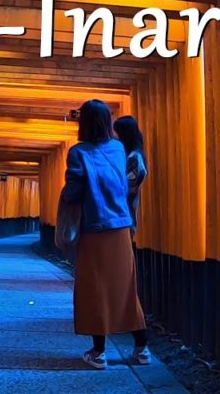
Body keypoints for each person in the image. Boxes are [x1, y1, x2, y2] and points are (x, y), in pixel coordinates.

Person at [58, 99, 150, 369]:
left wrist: (65, 203)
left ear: (83, 122)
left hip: (95, 229)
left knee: (94, 290)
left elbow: (74, 189)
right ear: (108, 123)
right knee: (125, 289)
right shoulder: (119, 148)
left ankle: (99, 354)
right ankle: (142, 349)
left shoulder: (79, 152)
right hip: (121, 228)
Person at [112, 116, 147, 235]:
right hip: (122, 217)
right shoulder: (130, 157)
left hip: (124, 218)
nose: (114, 137)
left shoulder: (134, 158)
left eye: (116, 133)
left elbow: (127, 188)